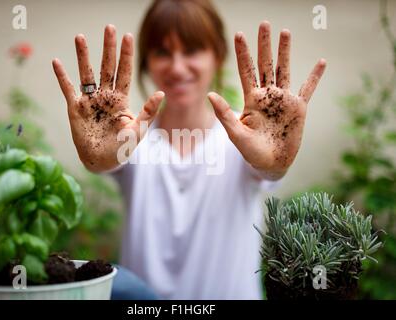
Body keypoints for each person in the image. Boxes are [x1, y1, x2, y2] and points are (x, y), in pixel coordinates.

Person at [52, 0, 326, 299]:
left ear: (218, 56)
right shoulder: (133, 139)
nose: (177, 67)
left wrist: (276, 161)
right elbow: (104, 161)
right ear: (147, 63)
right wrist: (96, 157)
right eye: (162, 52)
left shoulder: (246, 137)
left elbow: (269, 168)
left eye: (192, 50)